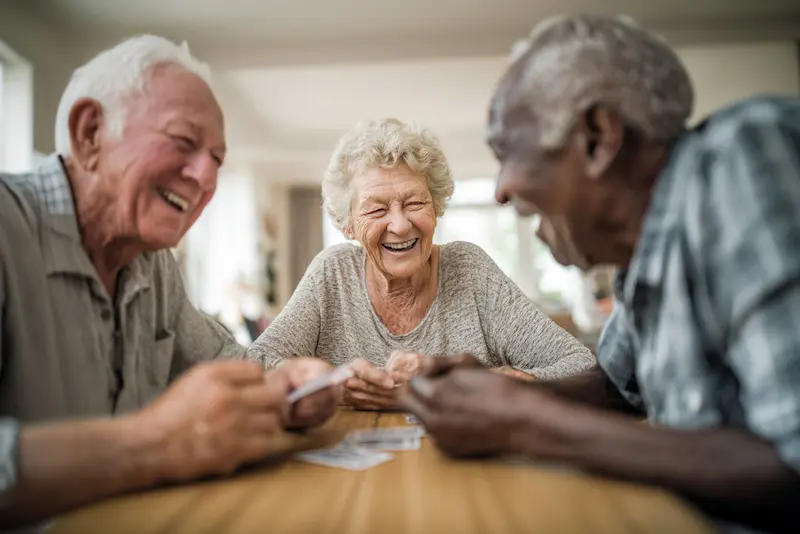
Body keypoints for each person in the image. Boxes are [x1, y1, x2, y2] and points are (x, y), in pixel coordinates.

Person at [399, 14, 800, 534]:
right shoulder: (646, 252)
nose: (500, 191)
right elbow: (615, 388)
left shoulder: (743, 156)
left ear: (598, 137)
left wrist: (525, 423)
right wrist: (492, 398)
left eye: (508, 152)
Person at [0, 35, 337, 529]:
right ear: (89, 132)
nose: (206, 178)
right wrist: (151, 444)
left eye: (217, 160)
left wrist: (289, 383)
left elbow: (234, 365)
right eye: (183, 140)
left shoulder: (153, 263)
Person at [249, 118, 595, 410]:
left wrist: (468, 385)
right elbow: (256, 364)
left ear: (436, 206)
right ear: (348, 225)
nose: (401, 225)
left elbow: (583, 369)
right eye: (377, 209)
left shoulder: (469, 269)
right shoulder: (332, 274)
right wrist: (331, 384)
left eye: (415, 203)